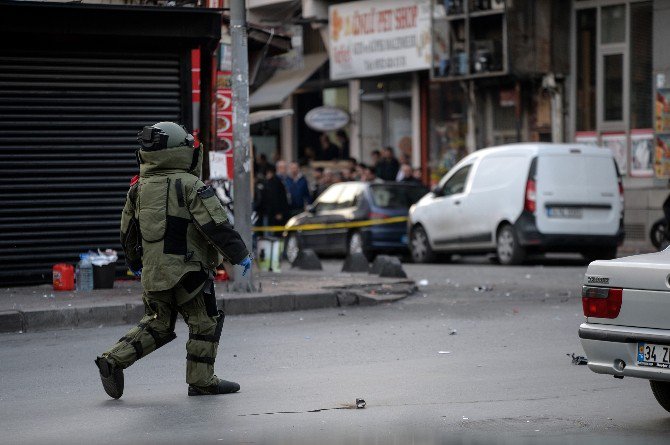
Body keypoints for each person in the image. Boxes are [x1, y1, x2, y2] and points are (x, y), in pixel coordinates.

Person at [95, 122, 251, 399]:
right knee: (205, 322)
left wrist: (133, 261)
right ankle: (202, 381)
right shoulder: (190, 185)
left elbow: (127, 231)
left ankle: (113, 360)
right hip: (189, 271)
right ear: (180, 152)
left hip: (153, 272)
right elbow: (215, 225)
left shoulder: (138, 188)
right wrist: (239, 254)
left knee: (157, 322)